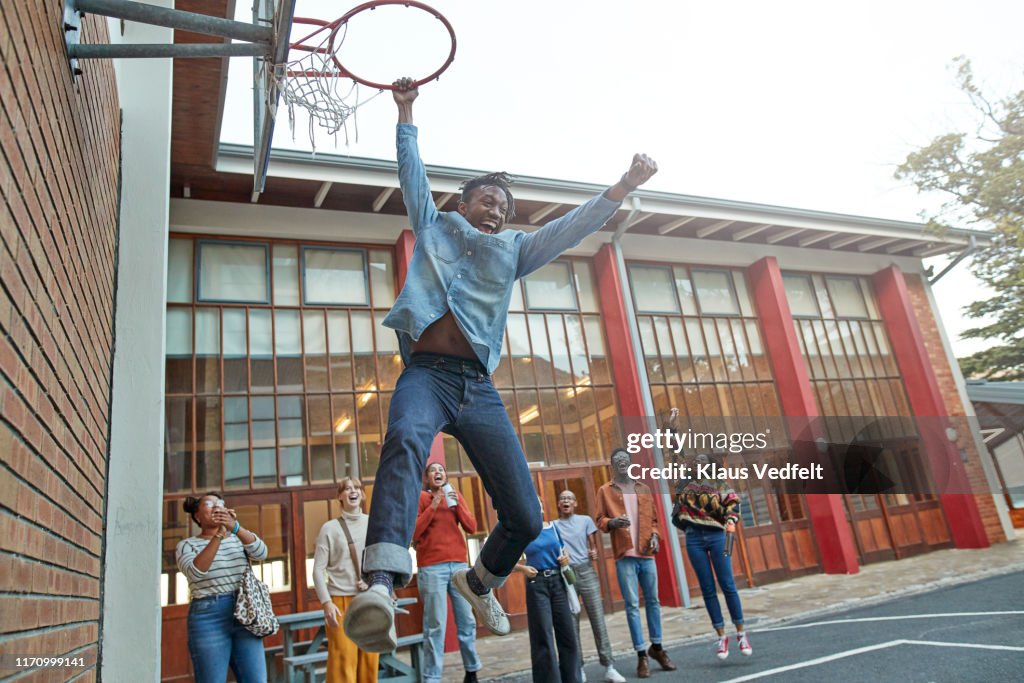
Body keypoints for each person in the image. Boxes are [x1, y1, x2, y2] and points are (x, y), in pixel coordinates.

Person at [342, 76, 658, 654]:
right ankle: (381, 584)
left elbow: (569, 229)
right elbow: (411, 171)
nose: (498, 210)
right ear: (463, 203)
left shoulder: (514, 250)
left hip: (477, 389)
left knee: (526, 513)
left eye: (505, 207)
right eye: (489, 200)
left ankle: (479, 580)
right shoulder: (434, 224)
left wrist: (621, 187)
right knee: (405, 439)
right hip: (427, 376)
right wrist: (407, 110)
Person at [595, 449, 677, 679]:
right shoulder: (605, 490)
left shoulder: (643, 488)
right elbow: (599, 520)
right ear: (612, 465)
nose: (622, 463)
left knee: (654, 601)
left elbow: (654, 520)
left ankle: (657, 648)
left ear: (630, 463)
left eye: (625, 460)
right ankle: (641, 654)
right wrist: (612, 522)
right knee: (632, 605)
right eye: (617, 461)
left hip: (646, 553)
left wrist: (654, 534)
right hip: (625, 556)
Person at [176, 492, 269, 683]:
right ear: (197, 516)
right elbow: (196, 572)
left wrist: (235, 528)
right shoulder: (186, 545)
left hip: (245, 612)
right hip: (208, 616)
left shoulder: (237, 538)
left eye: (220, 503)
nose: (217, 507)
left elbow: (261, 553)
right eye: (209, 504)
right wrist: (218, 535)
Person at [671, 453, 752, 660]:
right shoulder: (685, 483)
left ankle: (741, 634)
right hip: (693, 537)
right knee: (707, 588)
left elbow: (733, 504)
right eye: (696, 461)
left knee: (728, 584)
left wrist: (731, 520)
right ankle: (721, 636)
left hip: (717, 536)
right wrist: (670, 432)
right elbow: (673, 456)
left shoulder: (720, 483)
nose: (698, 463)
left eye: (702, 461)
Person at [413, 462, 483, 683]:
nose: (438, 472)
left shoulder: (455, 495)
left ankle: (471, 671)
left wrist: (456, 505)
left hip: (459, 566)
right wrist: (434, 505)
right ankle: (432, 677)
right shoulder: (420, 498)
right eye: (433, 470)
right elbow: (414, 532)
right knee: (435, 625)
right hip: (432, 567)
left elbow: (471, 527)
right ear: (427, 478)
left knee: (467, 621)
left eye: (441, 469)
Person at [552, 490, 626, 683]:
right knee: (571, 624)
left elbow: (593, 545)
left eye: (569, 498)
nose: (566, 500)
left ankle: (609, 666)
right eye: (562, 499)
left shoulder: (585, 520)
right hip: (566, 575)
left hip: (586, 572)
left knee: (597, 619)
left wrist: (593, 552)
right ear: (559, 504)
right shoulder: (553, 526)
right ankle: (578, 668)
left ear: (575, 503)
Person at [312, 478, 379, 683]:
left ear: (363, 494)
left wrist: (372, 581)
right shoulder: (329, 529)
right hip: (340, 602)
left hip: (369, 599)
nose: (352, 491)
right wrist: (326, 603)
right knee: (343, 659)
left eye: (356, 488)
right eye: (347, 488)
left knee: (369, 659)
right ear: (340, 496)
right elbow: (317, 570)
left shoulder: (373, 524)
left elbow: (382, 561)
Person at [515, 498, 581, 683]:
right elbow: (506, 560)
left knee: (568, 634)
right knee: (543, 636)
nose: (536, 507)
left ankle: (572, 679)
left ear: (542, 507)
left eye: (538, 504)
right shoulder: (523, 532)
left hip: (558, 582)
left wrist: (566, 558)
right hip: (537, 584)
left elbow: (563, 550)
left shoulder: (552, 527)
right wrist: (523, 569)